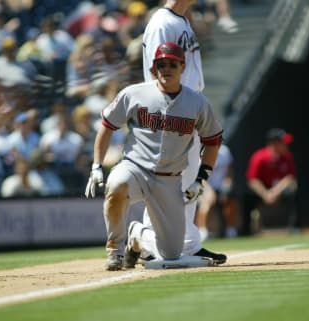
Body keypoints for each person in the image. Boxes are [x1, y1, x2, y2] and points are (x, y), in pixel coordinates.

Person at [85, 42, 222, 270]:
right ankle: (115, 251)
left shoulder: (197, 102)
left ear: (182, 67)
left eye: (172, 64)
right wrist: (96, 165)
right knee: (117, 184)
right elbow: (107, 126)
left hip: (169, 179)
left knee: (171, 254)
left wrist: (201, 179)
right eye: (161, 64)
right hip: (135, 168)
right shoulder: (134, 93)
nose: (166, 69)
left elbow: (212, 141)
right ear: (153, 68)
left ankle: (137, 234)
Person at [140, 0, 226, 264]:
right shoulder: (162, 22)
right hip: (172, 111)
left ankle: (186, 243)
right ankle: (146, 238)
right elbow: (158, 71)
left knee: (189, 179)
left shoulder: (181, 20)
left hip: (189, 105)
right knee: (167, 180)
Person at [242, 128, 298, 235]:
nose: (286, 145)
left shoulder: (287, 156)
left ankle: (295, 226)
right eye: (284, 142)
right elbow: (252, 180)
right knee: (247, 196)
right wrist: (265, 194)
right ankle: (246, 230)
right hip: (262, 190)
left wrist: (275, 192)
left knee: (293, 191)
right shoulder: (259, 157)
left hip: (279, 190)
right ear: (275, 143)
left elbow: (290, 178)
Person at [196, 143, 238, 240]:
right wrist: (209, 190)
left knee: (229, 200)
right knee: (206, 201)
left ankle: (230, 230)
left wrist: (228, 181)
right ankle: (202, 231)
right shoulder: (200, 153)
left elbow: (229, 170)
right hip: (204, 185)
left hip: (221, 186)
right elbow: (199, 176)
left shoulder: (225, 151)